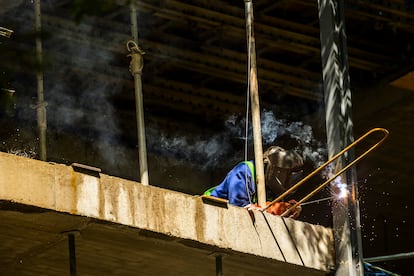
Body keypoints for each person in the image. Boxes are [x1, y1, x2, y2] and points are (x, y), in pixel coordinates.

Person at [204, 146, 304, 218]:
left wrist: (289, 210)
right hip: (212, 212)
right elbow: (237, 208)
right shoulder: (245, 171)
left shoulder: (271, 187)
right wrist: (275, 209)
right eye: (287, 174)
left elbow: (269, 211)